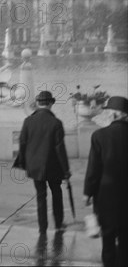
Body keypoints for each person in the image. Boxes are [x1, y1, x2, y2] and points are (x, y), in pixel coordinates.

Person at [83, 96, 128, 267]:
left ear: (113, 114)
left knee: (108, 238)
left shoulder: (100, 136)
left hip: (106, 196)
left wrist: (87, 193)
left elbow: (93, 169)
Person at [18, 91, 71, 234]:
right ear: (51, 103)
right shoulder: (56, 123)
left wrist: (23, 163)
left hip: (35, 166)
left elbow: (22, 143)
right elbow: (60, 148)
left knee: (41, 196)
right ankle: (59, 224)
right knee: (56, 193)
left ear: (38, 103)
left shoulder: (28, 121)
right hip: (53, 166)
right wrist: (66, 169)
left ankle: (43, 227)